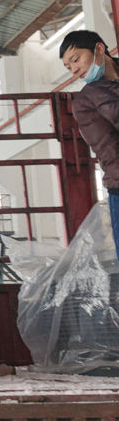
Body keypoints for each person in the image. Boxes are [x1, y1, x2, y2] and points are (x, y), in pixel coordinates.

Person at [59, 29, 119, 258]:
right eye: (68, 67)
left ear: (99, 49)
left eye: (76, 59)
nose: (74, 70)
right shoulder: (85, 101)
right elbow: (110, 151)